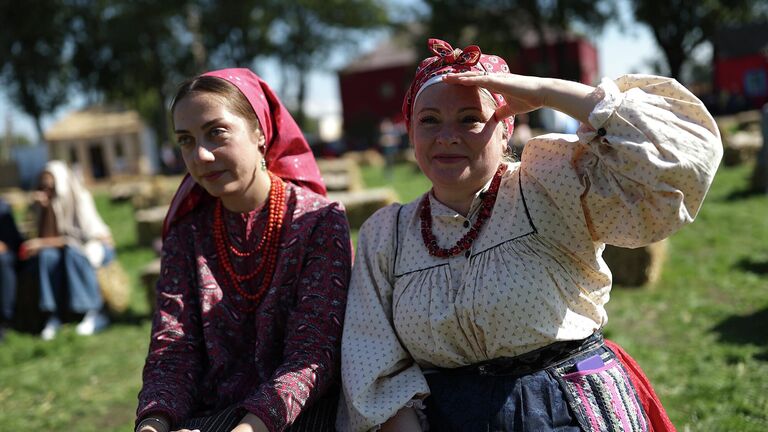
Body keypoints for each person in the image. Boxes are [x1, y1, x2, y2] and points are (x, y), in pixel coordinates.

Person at [337, 38, 723, 431]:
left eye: (470, 118)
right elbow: (372, 362)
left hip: (570, 409)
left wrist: (545, 91)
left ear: (506, 132)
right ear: (410, 132)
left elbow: (683, 158)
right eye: (429, 120)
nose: (447, 136)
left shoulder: (549, 184)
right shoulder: (387, 234)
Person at [135, 68, 352, 432]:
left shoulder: (319, 222)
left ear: (260, 134)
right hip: (209, 415)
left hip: (300, 416)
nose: (201, 155)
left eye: (216, 132)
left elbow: (312, 354)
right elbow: (174, 349)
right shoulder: (186, 235)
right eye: (185, 140)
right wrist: (153, 425)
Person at [20, 160, 115, 340]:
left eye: (50, 186)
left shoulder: (79, 198)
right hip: (63, 248)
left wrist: (41, 243)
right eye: (42, 186)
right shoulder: (46, 205)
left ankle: (94, 311)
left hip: (91, 247)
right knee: (46, 257)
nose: (46, 191)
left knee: (73, 254)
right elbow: (45, 236)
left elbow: (79, 238)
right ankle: (53, 315)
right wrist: (43, 211)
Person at [0, 197, 24, 341]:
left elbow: (10, 242)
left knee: (3, 261)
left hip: (7, 255)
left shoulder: (2, 208)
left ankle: (5, 320)